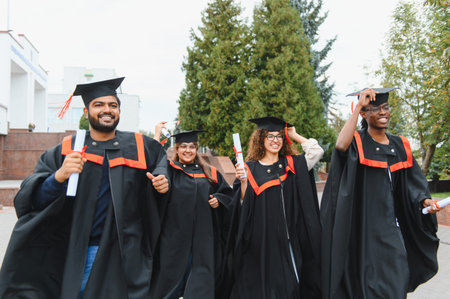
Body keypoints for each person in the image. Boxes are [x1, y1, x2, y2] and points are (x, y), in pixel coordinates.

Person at [0, 77, 170, 299]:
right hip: (80, 250)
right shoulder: (65, 150)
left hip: (126, 252)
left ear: (119, 110)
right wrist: (59, 176)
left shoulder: (142, 148)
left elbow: (163, 174)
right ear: (85, 111)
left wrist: (163, 185)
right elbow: (33, 201)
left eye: (113, 105)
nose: (107, 110)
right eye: (99, 105)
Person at [320, 88, 441, 299]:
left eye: (386, 107)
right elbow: (340, 146)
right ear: (365, 115)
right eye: (376, 108)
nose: (383, 112)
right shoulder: (357, 142)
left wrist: (424, 201)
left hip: (393, 228)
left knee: (396, 279)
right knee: (367, 285)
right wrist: (359, 106)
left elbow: (414, 184)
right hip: (363, 228)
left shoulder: (400, 145)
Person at [224, 116, 324, 299]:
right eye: (270, 136)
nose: (275, 140)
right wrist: (244, 181)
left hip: (289, 240)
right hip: (262, 241)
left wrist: (294, 135)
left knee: (291, 285)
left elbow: (316, 152)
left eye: (279, 136)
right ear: (260, 139)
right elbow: (242, 204)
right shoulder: (249, 169)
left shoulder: (292, 164)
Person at [149, 129, 233, 299]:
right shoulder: (170, 171)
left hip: (203, 240)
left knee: (200, 282)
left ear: (196, 149)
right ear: (177, 149)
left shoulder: (210, 173)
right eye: (183, 146)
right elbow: (156, 180)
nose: (188, 150)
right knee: (169, 282)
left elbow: (228, 195)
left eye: (192, 147)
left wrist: (219, 199)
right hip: (174, 239)